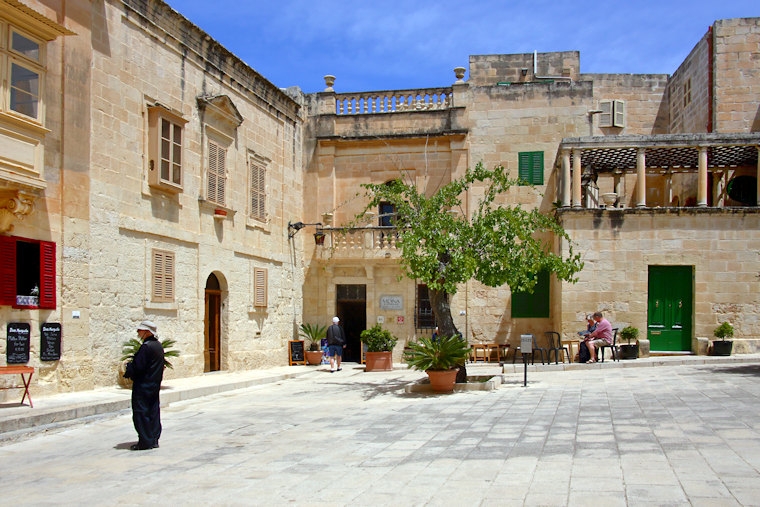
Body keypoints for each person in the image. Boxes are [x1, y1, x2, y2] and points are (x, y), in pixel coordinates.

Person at [123, 320, 165, 450]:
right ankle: (153, 438)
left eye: (140, 330)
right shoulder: (158, 345)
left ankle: (145, 441)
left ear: (147, 332)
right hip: (154, 385)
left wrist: (129, 367)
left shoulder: (146, 347)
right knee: (153, 411)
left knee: (141, 412)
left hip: (143, 386)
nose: (138, 332)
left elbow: (138, 367)